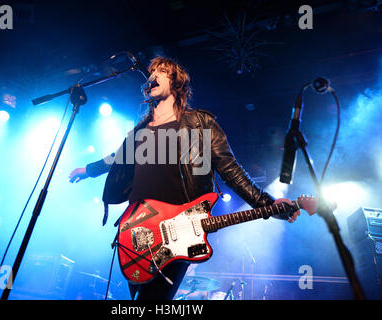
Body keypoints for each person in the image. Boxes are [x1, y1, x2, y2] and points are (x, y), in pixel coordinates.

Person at [69, 56, 302, 300]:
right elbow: (116, 159)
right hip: (137, 228)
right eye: (151, 72)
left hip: (178, 230)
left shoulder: (200, 123)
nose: (152, 76)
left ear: (176, 82)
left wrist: (267, 203)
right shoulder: (140, 130)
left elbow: (231, 171)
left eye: (161, 71)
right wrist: (88, 170)